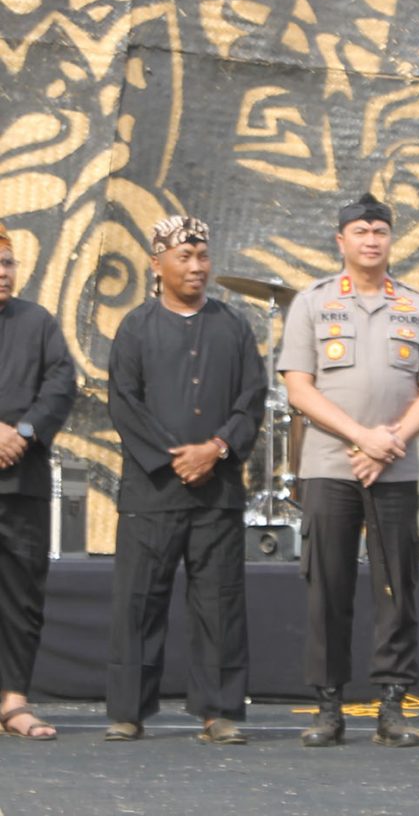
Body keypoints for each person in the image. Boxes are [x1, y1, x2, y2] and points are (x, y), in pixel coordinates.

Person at [278, 193, 419, 748]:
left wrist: (391, 439)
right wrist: (361, 438)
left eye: (380, 231)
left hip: (394, 467)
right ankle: (328, 706)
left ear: (390, 239)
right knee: (327, 583)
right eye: (361, 231)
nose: (371, 240)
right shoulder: (312, 302)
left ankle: (393, 705)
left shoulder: (416, 306)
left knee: (397, 585)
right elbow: (299, 387)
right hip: (331, 464)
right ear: (341, 240)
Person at [105, 215, 266, 744]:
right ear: (158, 264)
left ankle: (217, 711)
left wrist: (215, 449)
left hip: (216, 491)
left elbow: (251, 398)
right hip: (152, 491)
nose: (197, 267)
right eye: (184, 257)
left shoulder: (233, 325)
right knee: (139, 601)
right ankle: (127, 712)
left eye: (202, 256)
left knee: (219, 602)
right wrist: (174, 458)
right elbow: (124, 403)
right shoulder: (136, 327)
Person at [0, 223, 77, 741]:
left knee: (21, 594)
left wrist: (22, 431)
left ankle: (14, 701)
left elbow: (61, 383)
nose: (2, 273)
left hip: (21, 480)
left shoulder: (37, 321)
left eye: (8, 263)